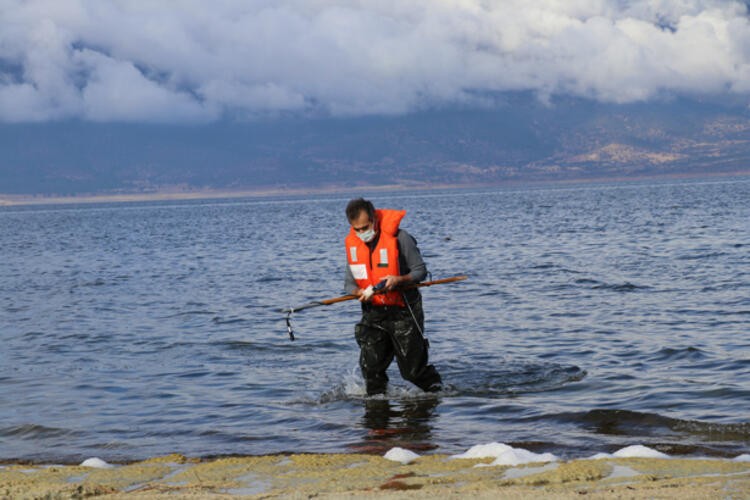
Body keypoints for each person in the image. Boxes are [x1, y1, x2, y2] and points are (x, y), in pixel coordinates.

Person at [344, 198, 442, 396]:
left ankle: (438, 393)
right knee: (370, 369)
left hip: (404, 311)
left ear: (374, 220)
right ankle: (377, 416)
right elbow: (349, 285)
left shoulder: (401, 238)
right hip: (373, 313)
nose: (362, 234)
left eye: (365, 227)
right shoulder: (354, 246)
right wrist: (358, 293)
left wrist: (399, 280)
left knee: (412, 372)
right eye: (357, 230)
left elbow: (420, 271)